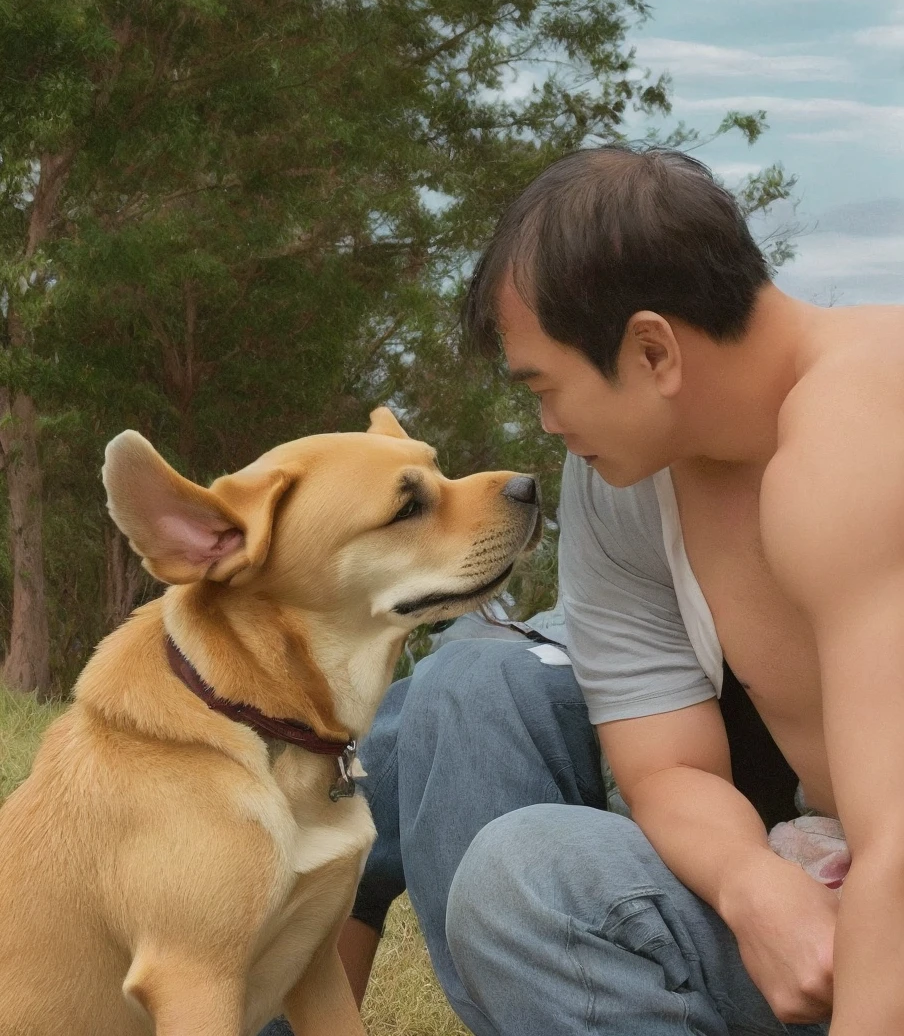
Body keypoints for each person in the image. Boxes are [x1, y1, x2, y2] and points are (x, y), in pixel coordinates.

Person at [267, 144, 904, 1035]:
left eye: (546, 387)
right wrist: (755, 889)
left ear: (652, 350)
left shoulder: (859, 434)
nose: (546, 425)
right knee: (524, 874)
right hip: (834, 902)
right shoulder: (624, 483)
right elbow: (667, 765)